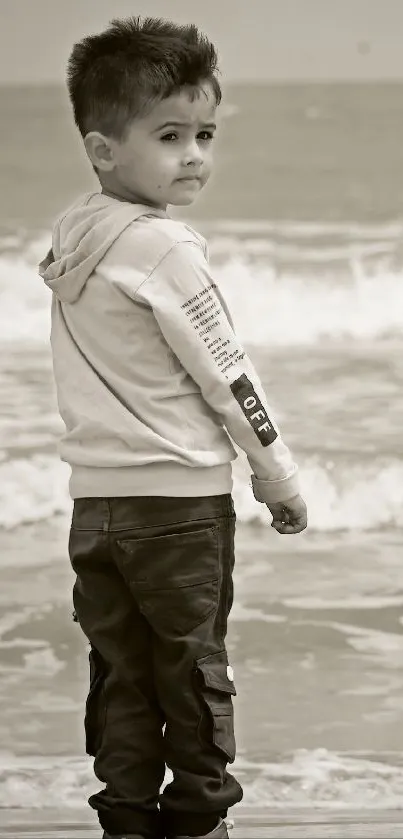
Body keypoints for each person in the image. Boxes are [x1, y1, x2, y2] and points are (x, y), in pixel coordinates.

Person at [39, 15, 307, 839]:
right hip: (179, 507)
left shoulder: (76, 236)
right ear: (102, 148)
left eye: (203, 133)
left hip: (97, 511)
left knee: (121, 671)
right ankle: (198, 823)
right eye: (168, 135)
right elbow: (230, 376)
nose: (193, 154)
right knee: (191, 670)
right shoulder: (164, 249)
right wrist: (277, 476)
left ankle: (124, 817)